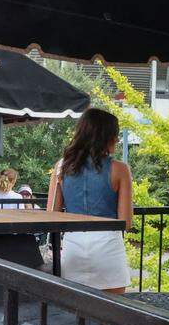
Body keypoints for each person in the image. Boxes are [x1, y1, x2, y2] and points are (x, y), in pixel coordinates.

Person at [47, 109, 133, 292]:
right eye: (115, 135)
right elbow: (125, 222)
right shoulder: (120, 169)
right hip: (108, 248)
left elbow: (51, 217)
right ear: (107, 137)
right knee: (113, 313)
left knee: (73, 314)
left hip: (73, 246)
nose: (117, 140)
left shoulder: (61, 167)